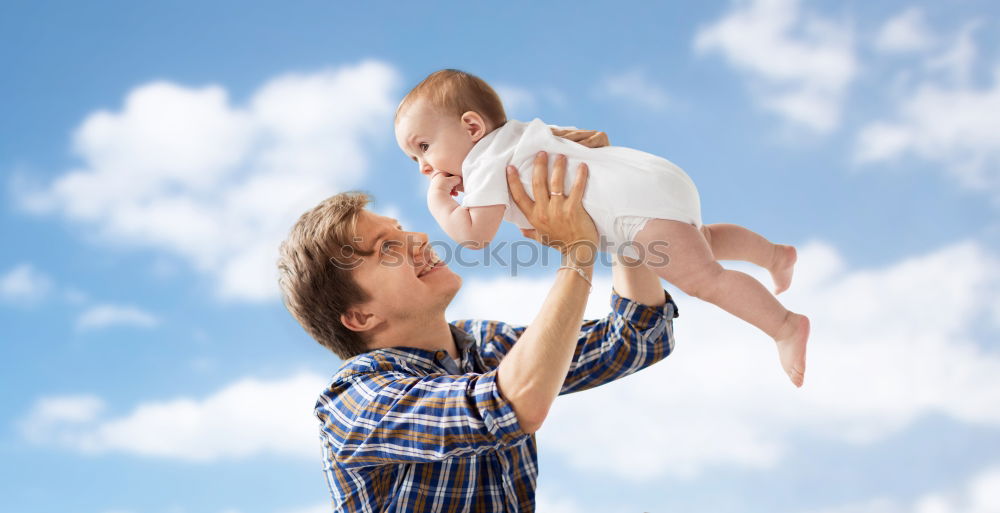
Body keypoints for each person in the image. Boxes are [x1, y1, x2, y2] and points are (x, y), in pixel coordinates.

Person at [277, 153, 678, 512]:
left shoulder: (484, 345)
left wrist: (616, 213)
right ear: (360, 317)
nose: (418, 239)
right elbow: (510, 404)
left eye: (401, 229)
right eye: (386, 249)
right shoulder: (356, 400)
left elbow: (634, 342)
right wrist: (577, 255)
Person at [393, 69, 809, 387]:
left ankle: (785, 325)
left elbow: (474, 236)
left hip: (631, 209)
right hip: (649, 179)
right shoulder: (519, 135)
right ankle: (775, 254)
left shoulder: (483, 163)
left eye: (424, 148)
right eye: (415, 161)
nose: (425, 167)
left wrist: (440, 201)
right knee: (705, 242)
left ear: (471, 128)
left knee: (705, 279)